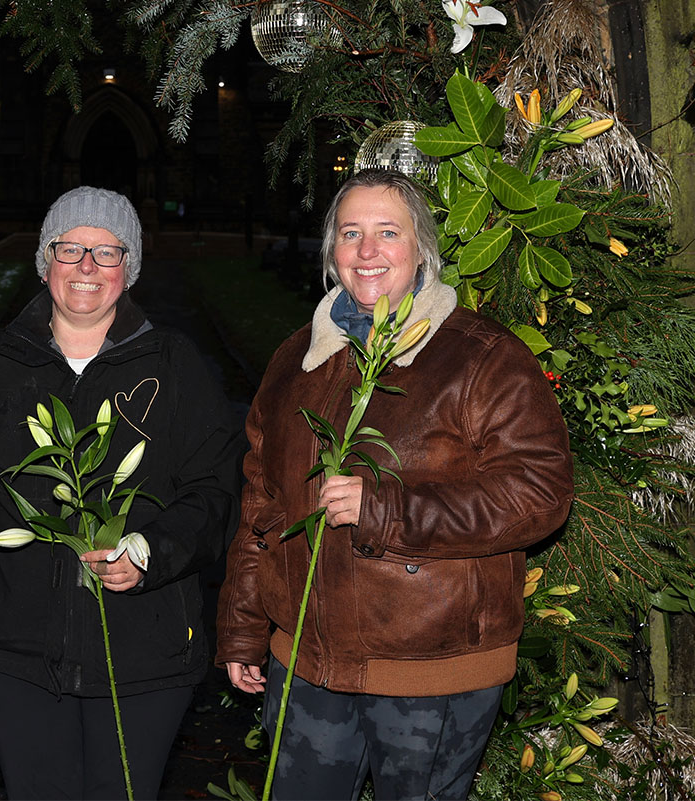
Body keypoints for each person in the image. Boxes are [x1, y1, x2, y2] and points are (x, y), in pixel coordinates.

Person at [216, 169, 574, 801]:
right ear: (331, 252)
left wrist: (388, 510)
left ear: (422, 249)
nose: (367, 250)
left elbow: (540, 492)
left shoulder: (480, 357)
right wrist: (245, 626)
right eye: (350, 233)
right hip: (308, 660)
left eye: (388, 232)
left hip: (431, 669)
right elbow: (260, 505)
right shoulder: (299, 359)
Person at [0, 186, 243, 799]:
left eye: (107, 252)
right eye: (70, 249)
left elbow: (214, 491)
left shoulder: (173, 366)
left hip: (143, 655)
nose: (86, 267)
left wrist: (150, 552)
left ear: (129, 268)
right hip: (14, 655)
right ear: (44, 260)